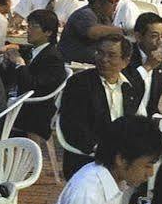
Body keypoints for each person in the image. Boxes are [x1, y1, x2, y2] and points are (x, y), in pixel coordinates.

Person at [57, 36, 142, 175]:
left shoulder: (133, 85)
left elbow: (136, 122)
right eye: (100, 53)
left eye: (111, 55)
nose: (103, 59)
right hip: (89, 157)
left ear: (125, 61)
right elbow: (72, 126)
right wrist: (103, 151)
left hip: (122, 156)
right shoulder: (79, 84)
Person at [0, 8, 68, 139]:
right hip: (17, 101)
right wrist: (7, 62)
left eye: (34, 26)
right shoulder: (32, 50)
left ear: (48, 32)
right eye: (28, 25)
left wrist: (19, 63)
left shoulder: (53, 57)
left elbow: (31, 85)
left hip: (34, 110)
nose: (28, 30)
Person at [59, 0, 128, 66]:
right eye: (111, 2)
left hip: (93, 63)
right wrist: (122, 30)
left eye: (116, 2)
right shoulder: (85, 14)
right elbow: (93, 32)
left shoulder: (104, 16)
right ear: (98, 3)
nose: (115, 5)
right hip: (74, 64)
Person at [125, 13, 162, 116]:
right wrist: (147, 66)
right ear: (138, 36)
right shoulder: (125, 57)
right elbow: (126, 90)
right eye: (154, 36)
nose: (160, 41)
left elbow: (153, 106)